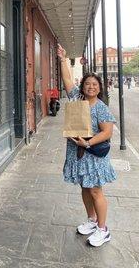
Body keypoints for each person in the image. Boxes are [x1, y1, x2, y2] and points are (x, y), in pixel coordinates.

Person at [57, 44, 116, 247]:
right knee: (84, 187)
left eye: (94, 84)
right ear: (83, 87)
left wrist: (88, 142)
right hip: (77, 152)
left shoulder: (101, 107)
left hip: (93, 154)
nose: (91, 87)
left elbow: (107, 132)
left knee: (95, 191)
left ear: (99, 88)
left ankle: (103, 229)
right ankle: (91, 221)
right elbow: (66, 80)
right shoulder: (77, 99)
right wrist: (63, 59)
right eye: (87, 84)